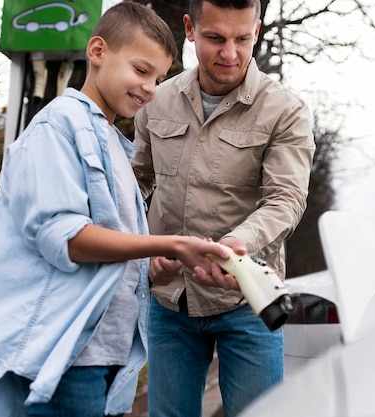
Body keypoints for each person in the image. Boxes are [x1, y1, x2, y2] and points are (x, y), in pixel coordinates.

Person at [0, 3, 230, 417]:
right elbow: (65, 238)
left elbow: (111, 246)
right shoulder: (57, 128)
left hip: (102, 352)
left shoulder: (114, 142)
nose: (150, 88)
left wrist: (154, 262)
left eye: (159, 79)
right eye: (141, 70)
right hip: (65, 356)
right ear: (98, 51)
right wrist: (168, 240)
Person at [131, 0, 316, 415]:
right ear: (189, 29)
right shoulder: (154, 101)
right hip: (169, 300)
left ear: (257, 30)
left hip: (248, 302)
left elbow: (285, 199)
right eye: (215, 38)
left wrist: (236, 246)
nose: (229, 54)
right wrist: (147, 247)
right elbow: (135, 185)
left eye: (242, 39)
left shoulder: (287, 111)